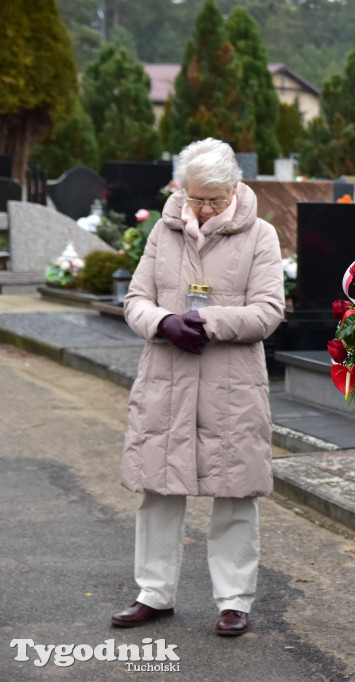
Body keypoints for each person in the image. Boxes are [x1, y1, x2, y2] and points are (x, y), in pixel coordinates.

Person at [111, 138, 285, 637]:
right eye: (196, 198)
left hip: (231, 385)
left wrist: (207, 322)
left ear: (234, 188)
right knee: (158, 489)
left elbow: (269, 311)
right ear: (182, 190)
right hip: (167, 379)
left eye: (214, 198)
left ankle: (234, 599)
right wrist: (163, 322)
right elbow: (135, 299)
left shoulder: (262, 235)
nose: (204, 208)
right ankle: (154, 593)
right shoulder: (162, 233)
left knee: (235, 493)